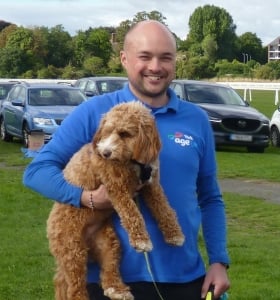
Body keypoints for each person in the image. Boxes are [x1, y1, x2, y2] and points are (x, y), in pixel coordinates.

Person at [23, 20, 230, 300]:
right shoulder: (95, 113)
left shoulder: (196, 120)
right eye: (145, 56)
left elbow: (210, 197)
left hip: (183, 278)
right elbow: (36, 172)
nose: (156, 67)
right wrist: (89, 198)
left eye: (165, 57)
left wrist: (218, 261)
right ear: (125, 59)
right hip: (108, 282)